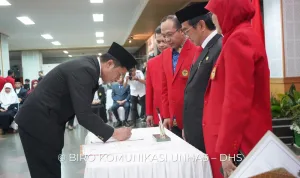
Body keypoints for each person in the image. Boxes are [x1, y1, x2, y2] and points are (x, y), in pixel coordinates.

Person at [15, 42, 137, 178]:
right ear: (109, 64)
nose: (118, 79)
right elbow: (84, 115)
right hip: (38, 123)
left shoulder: (89, 66)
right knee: (45, 172)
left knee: (50, 169)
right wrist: (114, 133)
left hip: (46, 122)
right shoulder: (85, 69)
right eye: (119, 74)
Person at [203, 0, 273, 177]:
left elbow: (237, 101)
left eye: (215, 12)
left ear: (228, 11)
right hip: (243, 138)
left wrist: (228, 150)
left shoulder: (238, 39)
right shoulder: (238, 36)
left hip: (243, 141)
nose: (213, 17)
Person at [175, 2, 222, 152]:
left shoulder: (220, 47)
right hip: (197, 129)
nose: (187, 37)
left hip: (209, 131)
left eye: (186, 31)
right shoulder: (205, 49)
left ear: (201, 25)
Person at [160, 15, 197, 137]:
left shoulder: (196, 51)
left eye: (170, 34)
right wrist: (166, 115)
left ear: (181, 30)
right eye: (164, 36)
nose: (166, 39)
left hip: (192, 118)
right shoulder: (165, 55)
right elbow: (164, 88)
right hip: (172, 119)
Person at [146, 25, 169, 127]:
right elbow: (149, 89)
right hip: (158, 110)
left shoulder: (178, 59)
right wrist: (149, 113)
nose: (161, 45)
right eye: (158, 42)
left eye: (163, 41)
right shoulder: (152, 63)